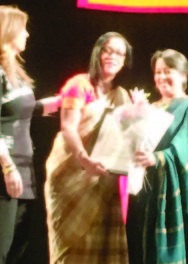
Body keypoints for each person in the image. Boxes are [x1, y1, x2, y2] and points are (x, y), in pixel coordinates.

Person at [0, 5, 60, 264]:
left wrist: (62, 101)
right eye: (23, 29)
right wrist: (8, 168)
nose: (27, 35)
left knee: (17, 245)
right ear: (7, 30)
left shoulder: (15, 74)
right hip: (3, 165)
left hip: (22, 163)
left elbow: (21, 111)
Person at [126, 49, 188, 263]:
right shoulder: (151, 108)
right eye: (158, 72)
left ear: (183, 75)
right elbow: (135, 142)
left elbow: (187, 147)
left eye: (168, 71)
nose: (161, 77)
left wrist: (158, 158)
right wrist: (134, 116)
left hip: (183, 194)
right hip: (152, 193)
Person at [44, 32, 133, 264]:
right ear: (98, 53)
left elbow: (128, 139)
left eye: (119, 53)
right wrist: (85, 160)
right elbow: (69, 128)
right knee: (70, 252)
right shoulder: (79, 84)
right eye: (108, 50)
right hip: (71, 177)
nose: (113, 57)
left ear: (124, 61)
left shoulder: (121, 96)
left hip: (104, 182)